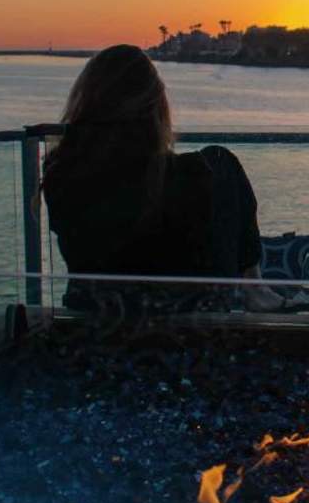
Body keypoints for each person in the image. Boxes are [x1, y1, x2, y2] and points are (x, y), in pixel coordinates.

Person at [41, 44, 271, 315]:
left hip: (92, 334)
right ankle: (254, 288)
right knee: (220, 161)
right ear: (155, 109)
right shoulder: (193, 176)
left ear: (86, 103)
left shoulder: (63, 175)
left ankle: (253, 288)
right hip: (192, 336)